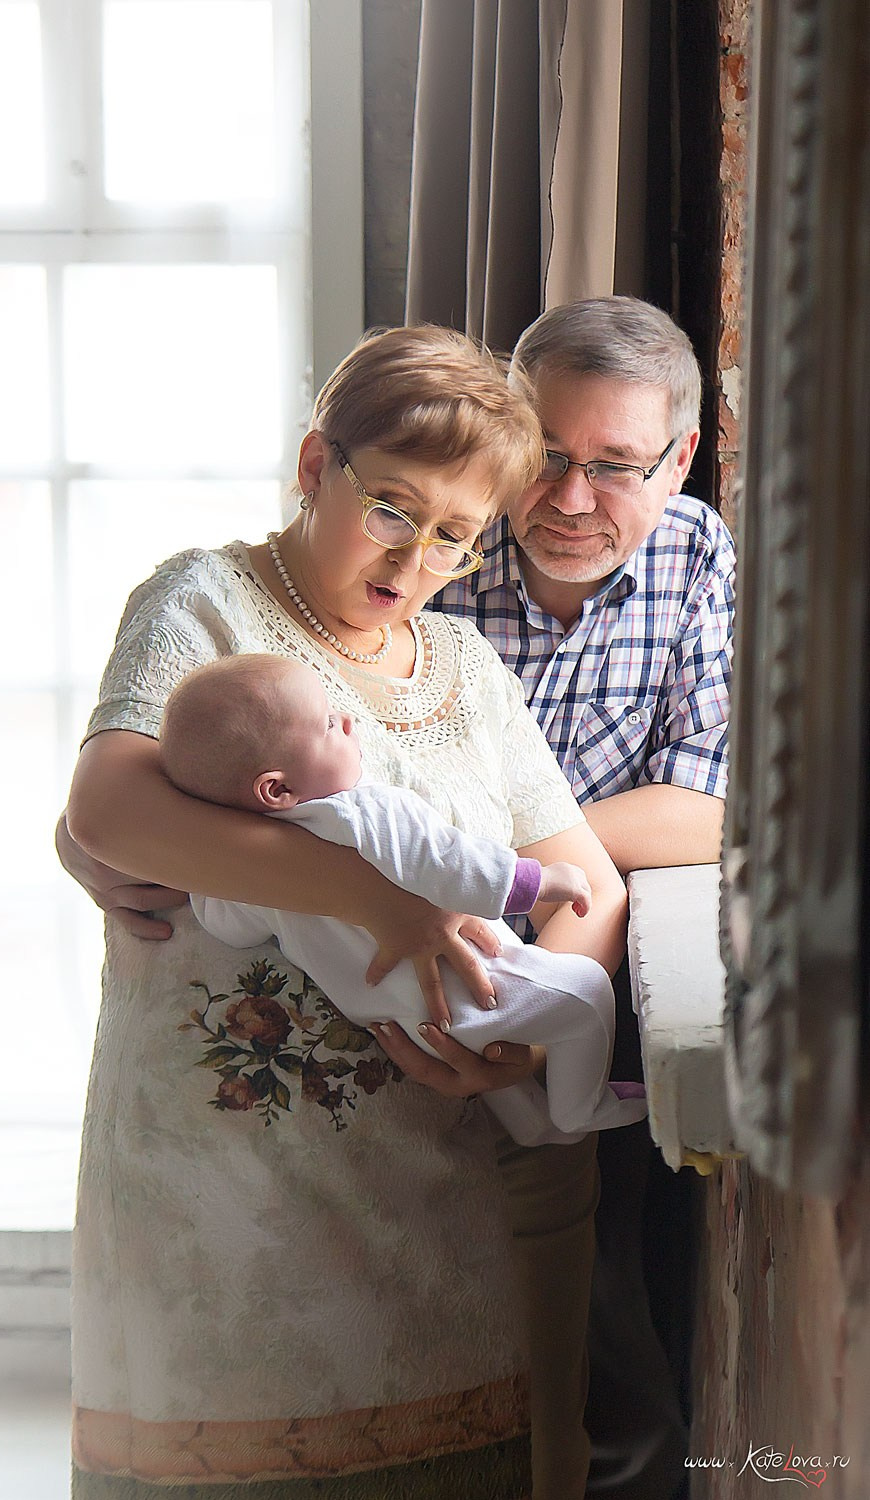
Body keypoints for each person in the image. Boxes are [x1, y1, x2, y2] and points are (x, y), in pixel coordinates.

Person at [58, 324, 628, 1500]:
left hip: (428, 1199)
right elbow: (109, 810)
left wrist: (519, 1031)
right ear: (316, 465)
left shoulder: (467, 668)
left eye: (455, 536)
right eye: (390, 509)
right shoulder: (207, 601)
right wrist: (381, 907)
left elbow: (585, 879)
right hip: (220, 1207)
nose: (415, 556)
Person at [375, 296, 734, 1500]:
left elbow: (712, 808)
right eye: (549, 456)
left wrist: (527, 863)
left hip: (578, 982)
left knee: (601, 1309)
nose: (570, 501)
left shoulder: (693, 554)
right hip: (404, 954)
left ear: (679, 457)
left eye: (616, 467)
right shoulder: (434, 541)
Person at [158, 653, 649, 1145]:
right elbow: (453, 865)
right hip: (473, 996)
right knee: (585, 994)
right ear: (277, 788)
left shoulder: (253, 874)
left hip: (395, 1024)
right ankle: (579, 1110)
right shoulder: (368, 810)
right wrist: (538, 881)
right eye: (329, 723)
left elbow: (226, 925)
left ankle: (531, 1121)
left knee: (492, 1058)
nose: (348, 720)